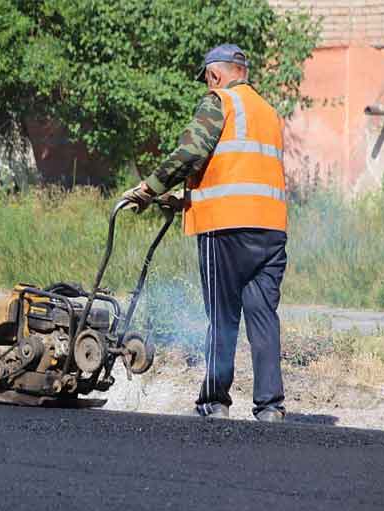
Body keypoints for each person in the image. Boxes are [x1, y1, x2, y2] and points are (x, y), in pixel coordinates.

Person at [122, 44, 287, 423]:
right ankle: (270, 407)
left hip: (225, 229)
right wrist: (188, 197)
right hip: (270, 229)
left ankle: (215, 401)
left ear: (215, 75)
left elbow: (189, 153)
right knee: (263, 318)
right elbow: (242, 170)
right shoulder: (268, 112)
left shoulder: (220, 102)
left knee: (222, 317)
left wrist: (149, 189)